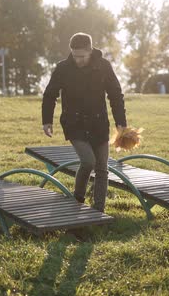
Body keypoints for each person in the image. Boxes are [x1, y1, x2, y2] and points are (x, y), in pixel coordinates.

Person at [42, 32, 126, 213]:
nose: (77, 60)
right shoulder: (63, 68)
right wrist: (47, 120)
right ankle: (77, 201)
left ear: (90, 51)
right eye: (74, 55)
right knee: (88, 162)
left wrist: (120, 122)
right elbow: (50, 95)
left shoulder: (103, 66)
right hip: (74, 123)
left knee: (102, 167)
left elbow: (115, 95)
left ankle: (99, 210)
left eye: (82, 56)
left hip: (99, 123)